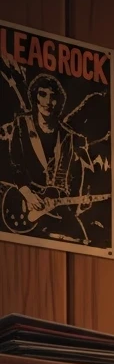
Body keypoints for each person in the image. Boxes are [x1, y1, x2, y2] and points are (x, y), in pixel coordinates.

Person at [0, 72, 93, 242]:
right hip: (21, 198)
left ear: (59, 101)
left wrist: (56, 196)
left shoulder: (67, 135)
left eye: (53, 97)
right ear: (35, 97)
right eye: (42, 94)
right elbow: (15, 163)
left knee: (82, 239)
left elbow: (61, 177)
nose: (47, 102)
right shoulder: (22, 124)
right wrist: (27, 194)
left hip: (50, 202)